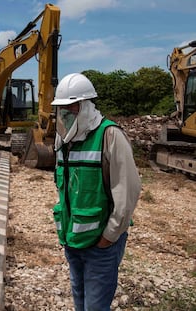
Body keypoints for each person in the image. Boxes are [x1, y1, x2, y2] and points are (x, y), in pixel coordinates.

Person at [51, 73, 141, 311]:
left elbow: (127, 195)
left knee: (95, 307)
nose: (65, 114)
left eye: (70, 108)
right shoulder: (62, 140)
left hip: (100, 246)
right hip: (73, 242)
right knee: (79, 300)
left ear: (85, 106)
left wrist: (108, 238)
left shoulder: (110, 136)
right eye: (61, 109)